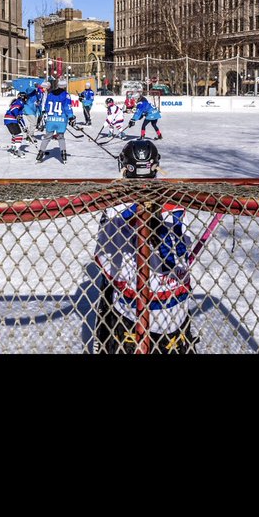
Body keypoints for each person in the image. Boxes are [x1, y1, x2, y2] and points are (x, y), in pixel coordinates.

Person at [93, 139, 197, 354]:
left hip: (132, 310)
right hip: (175, 307)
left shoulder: (115, 205)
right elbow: (185, 248)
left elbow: (104, 258)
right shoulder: (176, 198)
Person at [36, 77, 76, 164]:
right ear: (65, 86)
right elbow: (67, 107)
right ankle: (63, 155)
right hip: (61, 120)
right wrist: (71, 117)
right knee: (61, 137)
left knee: (47, 137)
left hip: (50, 119)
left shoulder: (50, 94)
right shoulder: (66, 95)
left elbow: (46, 106)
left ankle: (40, 154)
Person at [4, 93, 27, 157]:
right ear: (23, 98)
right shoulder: (19, 102)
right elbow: (14, 109)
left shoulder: (17, 102)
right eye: (26, 98)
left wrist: (24, 126)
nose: (26, 100)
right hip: (11, 119)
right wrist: (17, 116)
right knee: (19, 135)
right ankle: (16, 150)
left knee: (15, 135)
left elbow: (20, 117)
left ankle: (13, 149)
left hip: (8, 119)